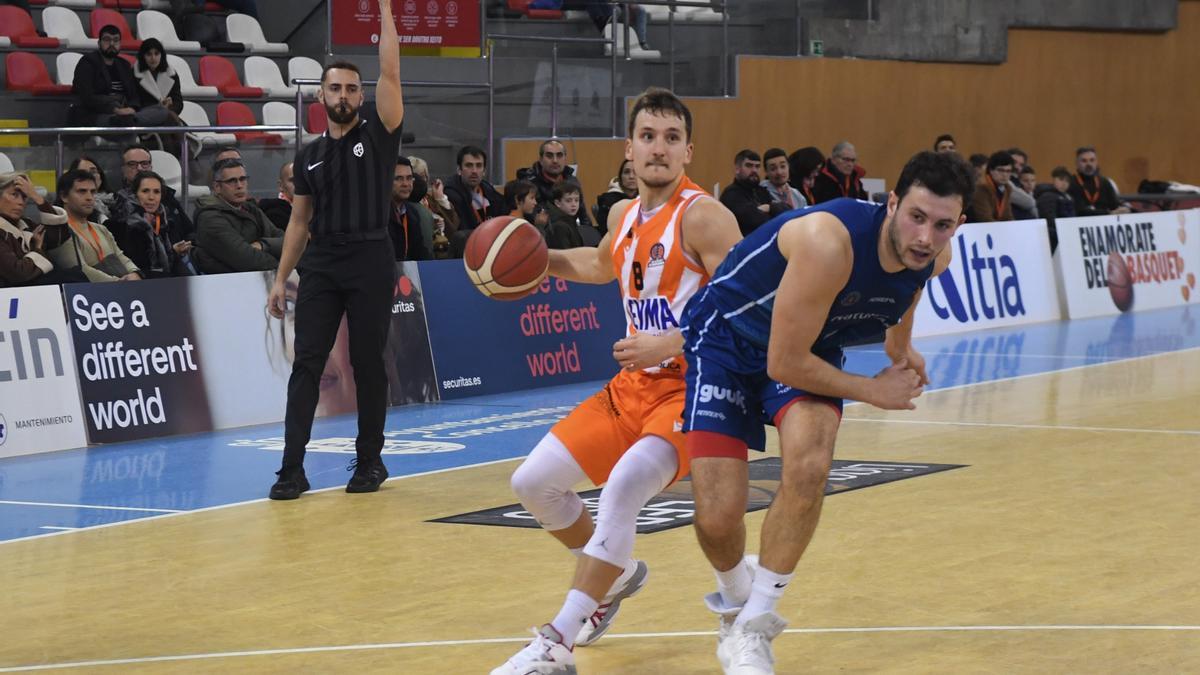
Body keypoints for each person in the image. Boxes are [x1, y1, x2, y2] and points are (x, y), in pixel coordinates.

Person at [680, 151, 973, 674]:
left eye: (943, 225)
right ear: (891, 205)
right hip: (727, 340)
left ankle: (754, 626)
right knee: (719, 515)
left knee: (811, 464)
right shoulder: (827, 242)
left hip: (808, 343)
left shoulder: (933, 255)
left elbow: (908, 292)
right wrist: (871, 390)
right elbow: (783, 362)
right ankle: (735, 596)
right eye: (916, 217)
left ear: (959, 224)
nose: (926, 237)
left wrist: (899, 350)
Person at [491, 87, 743, 675]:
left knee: (622, 490)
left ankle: (557, 642)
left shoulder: (704, 216)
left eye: (672, 138)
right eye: (648, 137)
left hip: (692, 390)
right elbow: (603, 263)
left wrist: (672, 342)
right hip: (630, 390)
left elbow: (748, 303)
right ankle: (616, 575)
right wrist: (538, 259)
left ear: (688, 152)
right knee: (532, 484)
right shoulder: (623, 213)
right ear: (629, 149)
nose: (659, 149)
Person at [265, 0, 405, 500]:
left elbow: (391, 65)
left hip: (370, 257)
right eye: (334, 88)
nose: (343, 95)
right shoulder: (309, 157)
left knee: (368, 363)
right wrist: (282, 278)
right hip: (321, 263)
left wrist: (385, 11)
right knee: (307, 363)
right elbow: (299, 221)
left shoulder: (380, 131)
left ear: (360, 95)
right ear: (320, 96)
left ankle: (369, 462)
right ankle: (291, 470)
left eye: (351, 88)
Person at [46, 169, 143, 283]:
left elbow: (121, 256)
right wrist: (118, 282)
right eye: (82, 191)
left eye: (92, 192)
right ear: (64, 196)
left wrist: (135, 272)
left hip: (119, 290)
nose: (89, 197)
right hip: (91, 294)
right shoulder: (60, 232)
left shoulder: (101, 229)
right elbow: (80, 271)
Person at [192, 158, 284, 274]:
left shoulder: (251, 209)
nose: (239, 185)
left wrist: (263, 245)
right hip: (227, 285)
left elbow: (286, 241)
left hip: (260, 279)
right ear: (217, 187)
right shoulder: (209, 218)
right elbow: (247, 259)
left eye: (243, 179)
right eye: (232, 181)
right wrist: (286, 266)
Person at [72, 26, 173, 128]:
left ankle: (132, 120)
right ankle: (131, 122)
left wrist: (132, 108)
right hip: (96, 114)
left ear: (120, 44)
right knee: (123, 120)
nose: (111, 44)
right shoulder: (87, 63)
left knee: (162, 111)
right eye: (107, 39)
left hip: (125, 112)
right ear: (99, 43)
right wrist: (114, 109)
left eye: (116, 40)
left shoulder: (124, 65)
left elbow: (134, 95)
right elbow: (87, 97)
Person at [111, 170, 194, 277]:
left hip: (164, 281)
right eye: (145, 191)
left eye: (156, 192)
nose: (151, 197)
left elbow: (171, 263)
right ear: (135, 194)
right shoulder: (121, 224)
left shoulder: (164, 220)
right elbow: (134, 266)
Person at [0, 172, 74, 287]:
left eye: (25, 197)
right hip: (13, 297)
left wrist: (36, 197)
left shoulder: (26, 224)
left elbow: (59, 237)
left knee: (75, 275)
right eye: (14, 195)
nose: (21, 202)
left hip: (36, 292)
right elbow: (19, 274)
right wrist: (38, 249)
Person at [515, 139, 596, 232]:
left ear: (565, 158)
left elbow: (583, 214)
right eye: (549, 156)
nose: (555, 160)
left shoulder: (572, 180)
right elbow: (536, 217)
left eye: (559, 155)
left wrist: (589, 235)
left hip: (570, 233)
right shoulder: (529, 183)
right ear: (541, 160)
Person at [720, 149, 789, 236]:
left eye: (757, 166)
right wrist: (772, 212)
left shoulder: (761, 191)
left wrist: (769, 207)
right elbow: (755, 221)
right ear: (737, 169)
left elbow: (787, 211)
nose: (754, 170)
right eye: (749, 166)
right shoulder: (731, 194)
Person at [388, 157, 431, 261]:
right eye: (399, 178)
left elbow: (420, 252)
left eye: (409, 178)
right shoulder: (378, 214)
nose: (406, 184)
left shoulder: (412, 213)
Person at [133, 39, 184, 124]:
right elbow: (134, 103)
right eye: (149, 54)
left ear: (161, 55)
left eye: (156, 53)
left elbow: (178, 102)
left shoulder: (172, 74)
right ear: (143, 56)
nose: (153, 58)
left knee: (169, 120)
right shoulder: (133, 74)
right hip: (144, 118)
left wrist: (169, 107)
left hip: (168, 116)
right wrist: (158, 108)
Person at [1068, 146, 1128, 216]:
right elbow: (1079, 211)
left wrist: (1125, 209)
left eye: (1092, 160)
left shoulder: (1105, 182)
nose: (1089, 164)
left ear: (1096, 162)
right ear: (1077, 163)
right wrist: (1108, 213)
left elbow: (1115, 205)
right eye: (1084, 161)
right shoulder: (1070, 183)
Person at [1035, 166, 1076, 253]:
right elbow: (1049, 218)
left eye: (1067, 181)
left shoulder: (1069, 197)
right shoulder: (1047, 196)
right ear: (1053, 179)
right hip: (1055, 235)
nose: (1064, 183)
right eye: (1061, 179)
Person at [594, 158, 637, 231]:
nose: (631, 176)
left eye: (635, 172)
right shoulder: (609, 201)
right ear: (620, 177)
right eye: (626, 172)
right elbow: (606, 230)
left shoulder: (646, 199)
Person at [971, 151, 1014, 222]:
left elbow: (1008, 216)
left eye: (1008, 171)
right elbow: (985, 219)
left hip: (994, 227)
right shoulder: (981, 187)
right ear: (991, 170)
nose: (1005, 175)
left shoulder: (1007, 188)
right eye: (1001, 170)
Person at [68, 156, 113, 223]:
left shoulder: (117, 201)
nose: (90, 176)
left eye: (93, 172)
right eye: (83, 173)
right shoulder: (72, 206)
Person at [543, 182, 587, 249]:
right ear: (558, 203)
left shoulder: (570, 220)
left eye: (576, 200)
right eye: (568, 201)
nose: (574, 204)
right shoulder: (559, 226)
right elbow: (564, 254)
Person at [257, 162, 295, 230]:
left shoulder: (314, 207)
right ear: (281, 185)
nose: (299, 184)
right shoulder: (274, 213)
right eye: (293, 180)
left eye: (302, 180)